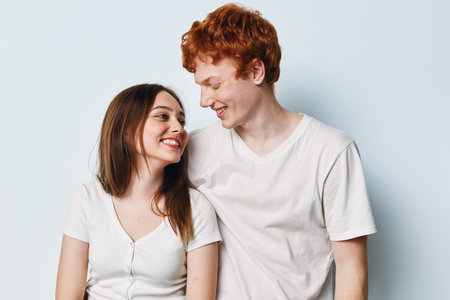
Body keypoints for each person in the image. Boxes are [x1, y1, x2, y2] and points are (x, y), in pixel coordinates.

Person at [181, 4, 376, 300]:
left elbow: (352, 272)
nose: (204, 101)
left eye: (214, 84)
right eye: (201, 86)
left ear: (256, 71)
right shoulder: (194, 148)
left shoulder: (331, 151)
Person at [56, 84, 221, 300]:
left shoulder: (196, 208)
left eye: (181, 121)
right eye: (163, 116)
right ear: (127, 130)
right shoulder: (87, 199)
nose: (179, 128)